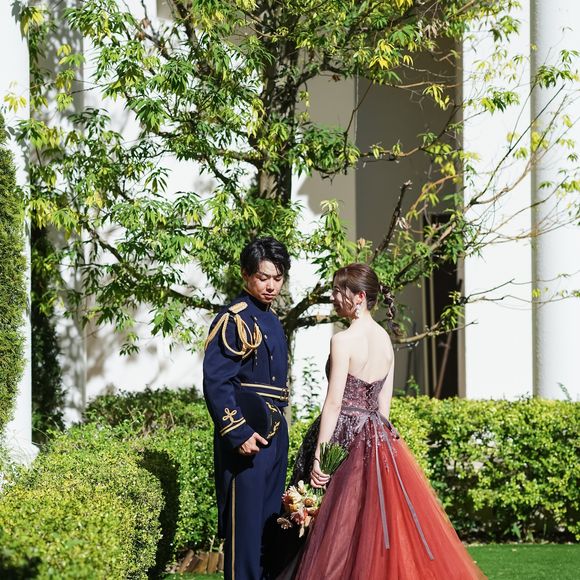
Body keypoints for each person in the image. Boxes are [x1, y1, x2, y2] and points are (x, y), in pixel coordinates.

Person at [285, 263, 485, 580]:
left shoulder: (342, 341)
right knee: (368, 526)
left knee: (338, 528)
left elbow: (334, 402)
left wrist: (321, 457)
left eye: (338, 291)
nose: (333, 297)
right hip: (376, 440)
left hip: (342, 438)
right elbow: (383, 409)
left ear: (359, 297)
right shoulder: (384, 340)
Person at [203, 237, 291, 580]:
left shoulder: (273, 321)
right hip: (247, 438)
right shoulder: (233, 320)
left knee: (270, 528)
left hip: (275, 435)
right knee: (246, 534)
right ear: (245, 275)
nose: (271, 286)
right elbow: (217, 382)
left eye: (277, 278)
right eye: (263, 277)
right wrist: (238, 433)